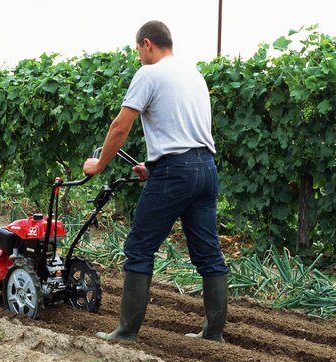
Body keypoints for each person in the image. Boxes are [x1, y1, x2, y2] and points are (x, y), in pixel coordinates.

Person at [83, 20, 229, 343]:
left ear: (147, 44)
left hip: (175, 173)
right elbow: (183, 130)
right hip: (206, 168)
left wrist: (98, 164)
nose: (139, 58)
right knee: (209, 254)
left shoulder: (148, 74)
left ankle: (125, 332)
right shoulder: (194, 76)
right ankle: (213, 333)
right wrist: (153, 164)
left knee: (138, 248)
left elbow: (120, 126)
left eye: (138, 51)